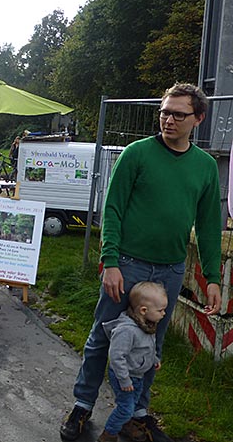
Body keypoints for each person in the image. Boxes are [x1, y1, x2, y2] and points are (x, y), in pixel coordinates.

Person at [60, 83, 223, 442]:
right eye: (164, 112)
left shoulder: (206, 167)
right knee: (102, 339)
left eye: (178, 114)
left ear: (198, 118)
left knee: (151, 347)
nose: (168, 120)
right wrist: (110, 261)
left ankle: (137, 414)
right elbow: (113, 208)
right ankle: (82, 407)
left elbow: (210, 226)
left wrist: (213, 277)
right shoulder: (137, 154)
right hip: (128, 265)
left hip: (168, 270)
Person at [97, 282, 168, 442]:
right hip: (124, 376)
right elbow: (116, 356)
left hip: (137, 375)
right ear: (144, 310)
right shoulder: (126, 331)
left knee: (133, 401)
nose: (164, 313)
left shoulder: (147, 324)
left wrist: (153, 359)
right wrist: (124, 380)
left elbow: (146, 348)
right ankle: (108, 434)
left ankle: (124, 425)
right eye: (161, 310)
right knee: (126, 408)